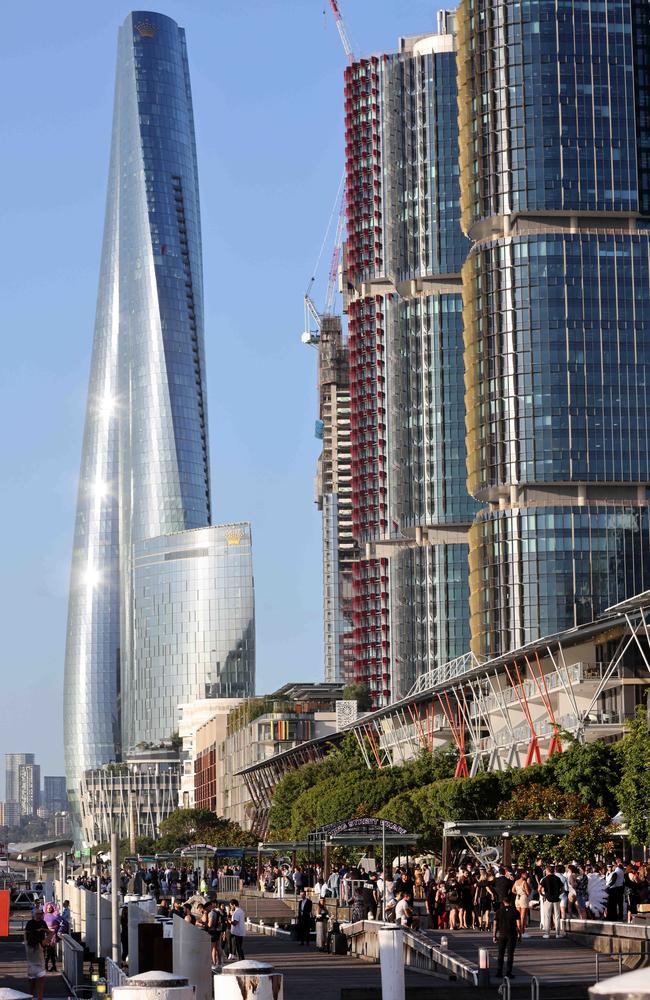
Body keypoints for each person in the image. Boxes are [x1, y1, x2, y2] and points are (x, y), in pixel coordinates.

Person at [493, 895, 520, 979]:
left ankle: (499, 972)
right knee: (510, 954)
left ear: (503, 902)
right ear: (511, 902)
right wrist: (520, 935)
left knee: (500, 953)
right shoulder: (515, 911)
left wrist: (494, 935)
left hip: (502, 934)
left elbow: (495, 925)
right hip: (512, 934)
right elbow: (518, 925)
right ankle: (508, 972)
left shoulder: (498, 912)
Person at [25, 907, 47, 1000]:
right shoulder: (30, 923)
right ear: (34, 915)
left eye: (41, 914)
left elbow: (48, 931)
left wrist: (45, 938)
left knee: (39, 978)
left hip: (41, 945)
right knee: (33, 979)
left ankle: (39, 997)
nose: (40, 915)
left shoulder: (43, 922)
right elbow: (26, 933)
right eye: (38, 914)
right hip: (31, 945)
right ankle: (32, 996)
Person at [539, 865, 564, 938]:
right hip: (556, 899)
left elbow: (540, 889)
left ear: (547, 871)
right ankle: (557, 933)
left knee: (547, 916)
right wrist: (558, 894)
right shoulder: (557, 878)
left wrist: (543, 895)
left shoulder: (545, 879)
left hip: (548, 899)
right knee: (557, 916)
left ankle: (547, 933)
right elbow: (562, 889)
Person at [513, 870, 532, 938]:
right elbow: (528, 893)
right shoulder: (524, 882)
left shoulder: (516, 882)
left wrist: (518, 893)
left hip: (517, 898)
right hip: (523, 898)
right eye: (525, 874)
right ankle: (522, 931)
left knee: (518, 915)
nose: (526, 874)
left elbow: (513, 890)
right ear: (521, 875)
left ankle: (518, 930)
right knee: (523, 916)